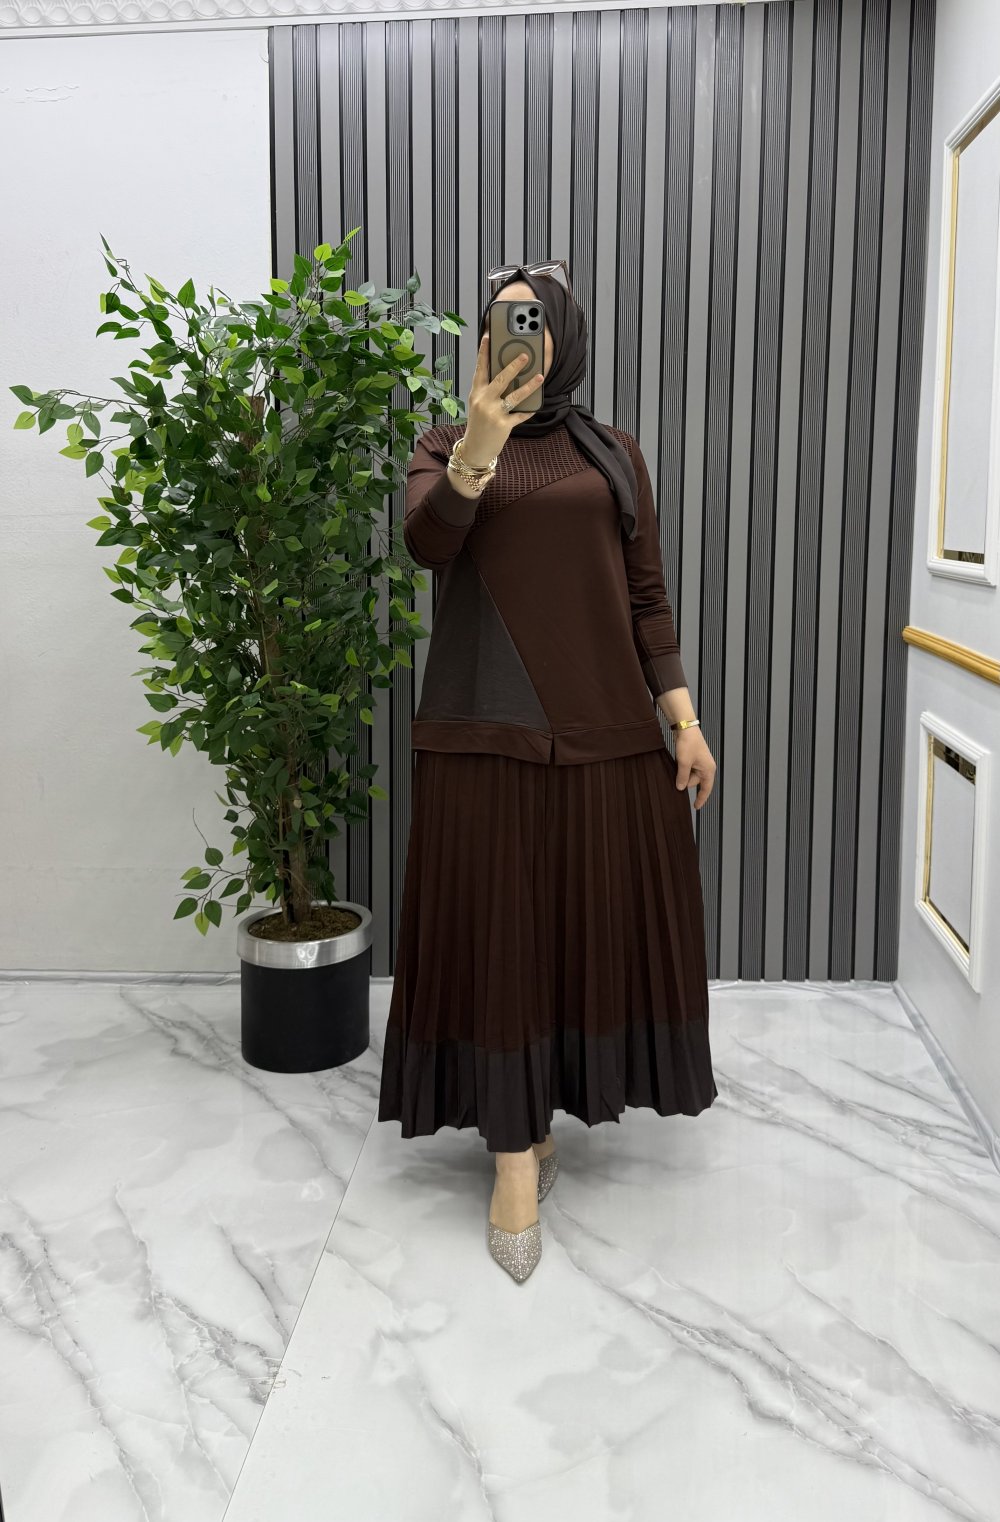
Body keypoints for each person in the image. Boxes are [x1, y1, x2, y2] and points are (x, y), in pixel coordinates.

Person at [377, 262, 718, 1283]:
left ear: (563, 334)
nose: (518, 336)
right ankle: (513, 1156)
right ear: (484, 340)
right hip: (482, 733)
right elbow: (427, 545)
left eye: (535, 321)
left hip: (606, 733)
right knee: (501, 945)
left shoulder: (614, 453)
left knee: (576, 937)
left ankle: (547, 1110)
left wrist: (684, 720)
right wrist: (479, 442)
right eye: (502, 322)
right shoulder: (444, 444)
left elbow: (646, 597)